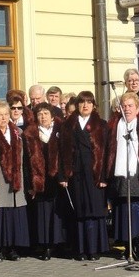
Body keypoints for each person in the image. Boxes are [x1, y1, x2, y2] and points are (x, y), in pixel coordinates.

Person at [106, 92, 139, 258]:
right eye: (124, 106)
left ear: (137, 108)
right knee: (124, 215)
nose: (127, 109)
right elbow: (108, 153)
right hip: (121, 180)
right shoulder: (114, 127)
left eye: (130, 106)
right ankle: (127, 248)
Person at [60, 91, 109, 260]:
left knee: (94, 211)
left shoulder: (101, 125)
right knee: (79, 213)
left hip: (95, 175)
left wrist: (103, 177)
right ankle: (80, 249)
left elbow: (106, 153)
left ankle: (94, 249)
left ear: (94, 105)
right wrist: (63, 176)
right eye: (82, 102)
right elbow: (62, 151)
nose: (85, 105)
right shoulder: (68, 125)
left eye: (89, 102)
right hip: (76, 175)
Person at [23, 102, 67, 260]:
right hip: (40, 180)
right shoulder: (30, 134)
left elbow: (65, 155)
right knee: (42, 214)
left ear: (52, 116)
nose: (43, 117)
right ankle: (45, 245)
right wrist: (30, 184)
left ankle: (59, 244)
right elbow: (26, 162)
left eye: (46, 114)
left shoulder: (60, 131)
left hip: (57, 180)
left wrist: (64, 176)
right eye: (40, 114)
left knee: (57, 213)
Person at [0, 101, 30, 261]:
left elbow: (22, 157)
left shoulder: (17, 132)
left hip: (15, 179)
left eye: (6, 114)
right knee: (0, 214)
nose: (4, 118)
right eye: (0, 114)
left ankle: (12, 248)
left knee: (13, 214)